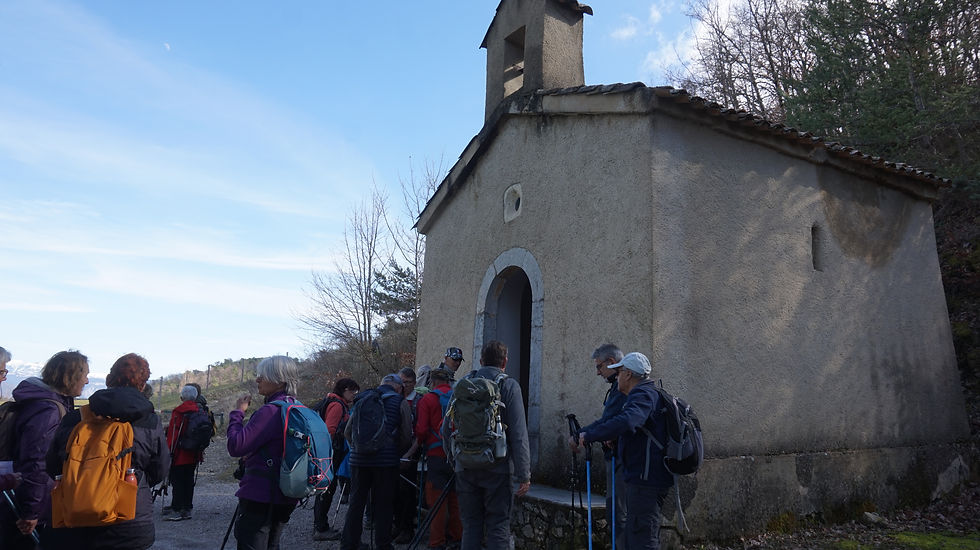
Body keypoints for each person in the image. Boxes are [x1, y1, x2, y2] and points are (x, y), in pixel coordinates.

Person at [44, 353, 169, 550]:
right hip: (129, 522)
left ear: (109, 380)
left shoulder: (76, 418)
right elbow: (160, 470)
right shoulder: (150, 421)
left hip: (74, 520)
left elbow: (52, 465)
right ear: (143, 385)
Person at [574, 352, 675, 550]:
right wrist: (618, 440)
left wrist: (590, 435)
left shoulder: (643, 395)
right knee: (638, 536)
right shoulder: (646, 394)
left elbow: (628, 421)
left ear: (628, 374)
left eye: (619, 372)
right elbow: (641, 432)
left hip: (646, 482)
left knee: (643, 540)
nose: (616, 377)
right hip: (645, 479)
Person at [443, 340, 530, 550]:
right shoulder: (508, 385)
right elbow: (518, 434)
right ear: (505, 362)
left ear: (481, 360)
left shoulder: (464, 384)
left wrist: (455, 459)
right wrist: (523, 474)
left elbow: (446, 428)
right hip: (497, 469)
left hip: (465, 466)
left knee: (471, 526)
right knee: (498, 525)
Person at [0, 350, 88, 550]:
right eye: (85, 375)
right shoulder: (48, 410)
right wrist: (32, 511)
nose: (87, 381)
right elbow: (36, 462)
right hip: (31, 506)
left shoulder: (46, 404)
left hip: (28, 499)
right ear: (70, 377)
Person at [227, 356, 303, 550]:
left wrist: (238, 413)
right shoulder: (297, 407)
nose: (257, 380)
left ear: (279, 380)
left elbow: (236, 446)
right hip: (287, 492)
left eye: (263, 376)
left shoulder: (270, 411)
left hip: (261, 493)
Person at [340, 374, 412, 550]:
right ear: (398, 387)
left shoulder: (363, 398)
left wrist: (357, 449)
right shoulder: (400, 402)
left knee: (356, 503)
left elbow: (348, 431)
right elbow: (406, 434)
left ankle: (350, 544)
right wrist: (396, 452)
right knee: (384, 504)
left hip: (359, 460)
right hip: (386, 462)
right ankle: (383, 544)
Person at [580, 344, 628, 549]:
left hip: (621, 459)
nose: (598, 372)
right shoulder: (617, 388)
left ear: (611, 362)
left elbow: (609, 423)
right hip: (617, 457)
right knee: (615, 511)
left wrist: (584, 435)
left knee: (619, 513)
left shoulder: (621, 389)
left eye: (599, 367)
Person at [415, 365, 461, 550]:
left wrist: (419, 445)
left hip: (436, 456)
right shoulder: (458, 398)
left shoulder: (428, 399)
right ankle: (458, 538)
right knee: (456, 500)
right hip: (457, 456)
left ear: (432, 382)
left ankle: (437, 542)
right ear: (449, 382)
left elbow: (421, 430)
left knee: (436, 501)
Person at [312, 377, 360, 541]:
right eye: (352, 390)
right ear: (344, 389)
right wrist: (327, 455)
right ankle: (321, 528)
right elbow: (329, 430)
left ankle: (320, 526)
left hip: (326, 455)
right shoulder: (337, 406)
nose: (354, 394)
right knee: (326, 490)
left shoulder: (332, 401)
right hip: (329, 456)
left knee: (325, 489)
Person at [164, 385, 205, 521]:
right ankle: (187, 508)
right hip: (194, 453)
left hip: (180, 453)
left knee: (177, 481)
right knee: (188, 481)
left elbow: (173, 434)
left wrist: (168, 451)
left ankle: (177, 508)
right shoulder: (200, 410)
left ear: (182, 397)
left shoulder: (179, 411)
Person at [393, 367, 421, 544]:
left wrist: (410, 453)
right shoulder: (396, 399)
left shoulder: (419, 401)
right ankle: (396, 525)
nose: (404, 386)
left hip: (411, 451)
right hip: (394, 451)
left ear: (414, 383)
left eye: (408, 382)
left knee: (408, 491)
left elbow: (421, 430)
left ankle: (407, 528)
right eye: (401, 382)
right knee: (394, 490)